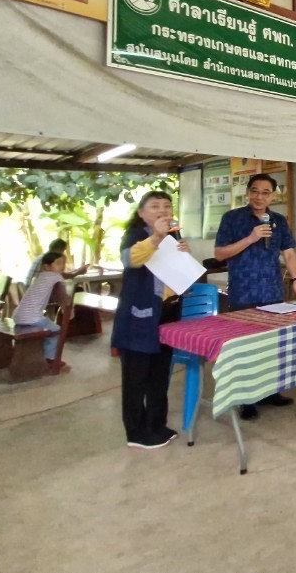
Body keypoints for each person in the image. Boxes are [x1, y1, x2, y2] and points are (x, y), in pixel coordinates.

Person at [214, 173, 296, 415]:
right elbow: (219, 254)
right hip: (243, 291)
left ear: (273, 196)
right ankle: (245, 400)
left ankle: (269, 392)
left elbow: (288, 252)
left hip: (272, 291)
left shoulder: (278, 220)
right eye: (255, 191)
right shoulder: (232, 218)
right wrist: (251, 238)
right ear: (248, 193)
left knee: (270, 345)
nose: (259, 197)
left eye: (265, 192)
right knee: (245, 347)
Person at [112, 191, 191, 450]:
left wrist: (185, 255)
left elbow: (179, 276)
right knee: (136, 378)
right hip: (139, 317)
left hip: (166, 313)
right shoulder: (136, 235)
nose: (163, 210)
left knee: (159, 375)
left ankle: (157, 425)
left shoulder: (173, 236)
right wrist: (156, 237)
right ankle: (136, 433)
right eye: (155, 206)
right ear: (141, 213)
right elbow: (129, 259)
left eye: (167, 206)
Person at [12, 251, 69, 373]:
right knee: (56, 330)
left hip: (19, 316)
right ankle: (51, 359)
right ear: (46, 267)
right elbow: (63, 295)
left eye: (63, 263)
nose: (62, 266)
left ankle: (45, 355)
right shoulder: (55, 277)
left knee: (48, 326)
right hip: (32, 317)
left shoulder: (40, 276)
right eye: (58, 263)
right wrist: (69, 308)